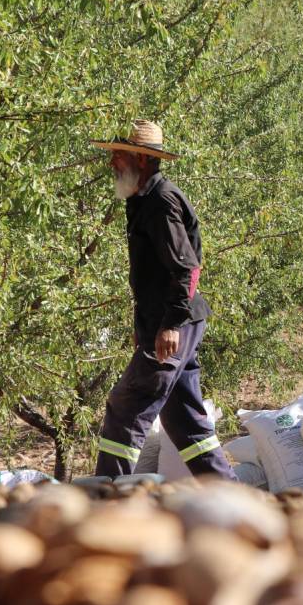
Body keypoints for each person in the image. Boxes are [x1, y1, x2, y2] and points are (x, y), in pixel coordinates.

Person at [89, 120, 235, 480]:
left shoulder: (159, 201)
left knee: (126, 407)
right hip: (172, 323)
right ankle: (233, 498)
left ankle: (108, 498)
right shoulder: (142, 199)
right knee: (186, 423)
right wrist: (147, 327)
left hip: (176, 323)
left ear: (141, 160)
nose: (112, 164)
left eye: (118, 155)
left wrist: (170, 324)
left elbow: (186, 269)